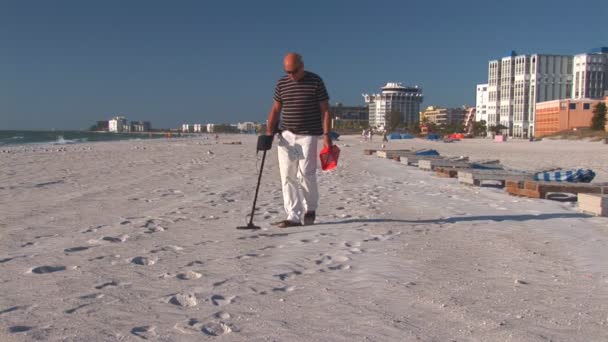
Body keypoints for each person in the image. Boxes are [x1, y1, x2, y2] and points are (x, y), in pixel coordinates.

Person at [265, 53, 332, 228]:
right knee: (287, 175)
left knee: (306, 174)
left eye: (294, 71)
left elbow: (325, 110)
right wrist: (268, 133)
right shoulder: (282, 83)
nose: (291, 75)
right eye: (287, 72)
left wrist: (327, 136)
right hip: (286, 135)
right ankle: (293, 215)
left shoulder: (316, 81)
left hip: (308, 135)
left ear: (302, 66)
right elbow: (275, 109)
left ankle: (310, 208)